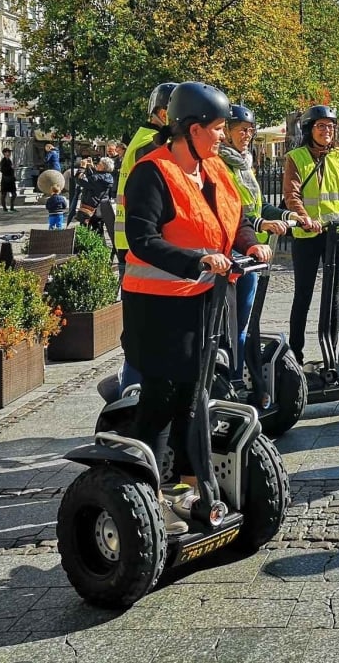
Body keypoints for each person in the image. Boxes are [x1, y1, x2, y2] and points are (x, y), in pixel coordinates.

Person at [120, 82, 270, 534]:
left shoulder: (215, 170)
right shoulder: (152, 172)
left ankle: (188, 488)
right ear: (190, 128)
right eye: (218, 128)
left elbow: (235, 218)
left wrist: (249, 244)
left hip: (202, 300)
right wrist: (195, 260)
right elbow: (144, 240)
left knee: (196, 396)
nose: (223, 135)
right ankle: (150, 494)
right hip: (157, 305)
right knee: (162, 397)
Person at [284, 105, 339, 366]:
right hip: (308, 233)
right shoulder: (296, 157)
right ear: (310, 129)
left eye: (330, 126)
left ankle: (330, 352)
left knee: (333, 294)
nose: (327, 131)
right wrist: (303, 217)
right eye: (321, 126)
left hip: (337, 231)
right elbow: (292, 194)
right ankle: (295, 352)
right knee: (303, 294)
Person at [218, 104, 295, 379]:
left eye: (250, 130)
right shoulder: (220, 164)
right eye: (241, 130)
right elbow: (233, 210)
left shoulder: (243, 163)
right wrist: (261, 224)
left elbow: (256, 206)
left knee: (246, 321)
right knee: (234, 324)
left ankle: (240, 374)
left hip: (252, 252)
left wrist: (288, 214)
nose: (247, 135)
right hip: (231, 251)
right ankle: (233, 379)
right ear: (226, 132)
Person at [115, 83, 176, 262]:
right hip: (142, 241)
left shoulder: (145, 138)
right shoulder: (152, 144)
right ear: (164, 114)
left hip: (133, 237)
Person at [0, 148, 18, 213]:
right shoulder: (3, 161)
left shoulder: (9, 161)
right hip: (5, 179)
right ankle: (4, 208)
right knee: (4, 194)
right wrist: (10, 168)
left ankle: (12, 207)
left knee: (14, 194)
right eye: (7, 152)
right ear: (4, 153)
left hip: (11, 180)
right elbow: (2, 170)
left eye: (9, 152)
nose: (9, 153)